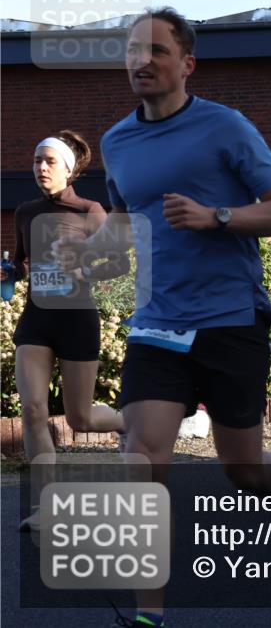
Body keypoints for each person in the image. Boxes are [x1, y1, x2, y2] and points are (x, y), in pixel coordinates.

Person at [58, 8, 271, 628]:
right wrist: (88, 256)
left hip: (230, 316)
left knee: (241, 464)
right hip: (157, 321)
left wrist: (217, 216)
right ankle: (150, 616)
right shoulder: (117, 141)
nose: (142, 61)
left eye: (157, 51)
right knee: (142, 457)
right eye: (132, 51)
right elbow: (126, 218)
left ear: (186, 63)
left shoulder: (226, 128)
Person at [9, 131, 128, 532]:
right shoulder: (24, 211)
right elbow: (23, 264)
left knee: (80, 418)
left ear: (69, 168)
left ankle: (129, 422)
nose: (41, 167)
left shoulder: (90, 211)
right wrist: (11, 271)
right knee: (33, 411)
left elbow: (120, 265)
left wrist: (85, 270)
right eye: (36, 161)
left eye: (49, 161)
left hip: (77, 318)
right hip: (36, 319)